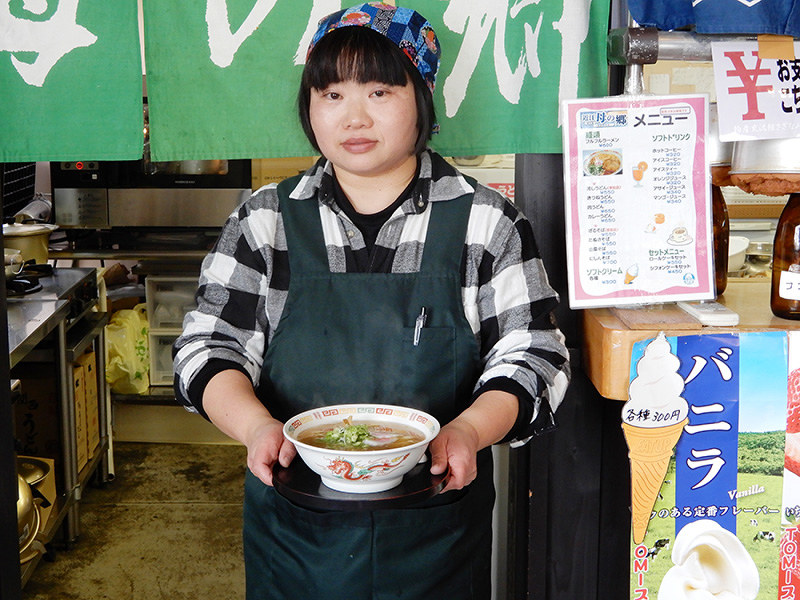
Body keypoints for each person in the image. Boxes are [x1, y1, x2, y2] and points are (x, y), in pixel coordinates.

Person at [173, 3, 570, 599]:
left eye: (380, 91)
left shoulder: (486, 222)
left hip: (436, 536)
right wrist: (257, 427)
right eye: (330, 94)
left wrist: (467, 431)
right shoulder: (264, 222)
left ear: (422, 101)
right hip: (295, 535)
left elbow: (535, 355)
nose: (353, 117)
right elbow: (207, 348)